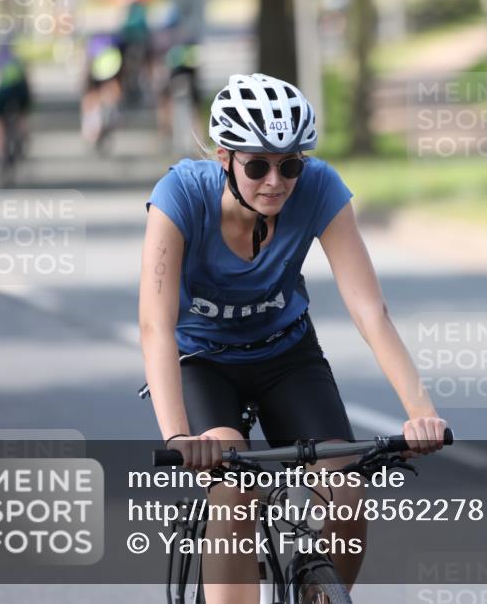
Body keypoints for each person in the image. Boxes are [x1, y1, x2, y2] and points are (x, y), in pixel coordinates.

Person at [139, 73, 447, 602]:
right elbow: (155, 322)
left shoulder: (321, 187)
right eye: (257, 165)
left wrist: (421, 411)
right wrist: (176, 437)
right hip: (204, 361)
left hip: (287, 354)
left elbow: (370, 309)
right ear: (224, 158)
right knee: (235, 487)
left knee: (347, 494)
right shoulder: (181, 194)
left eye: (291, 165)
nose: (276, 181)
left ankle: (316, 592)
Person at [0, 44, 32, 185]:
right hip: (20, 92)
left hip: (1, 95)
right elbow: (27, 82)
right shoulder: (17, 61)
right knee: (20, 116)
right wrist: (28, 102)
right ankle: (22, 136)